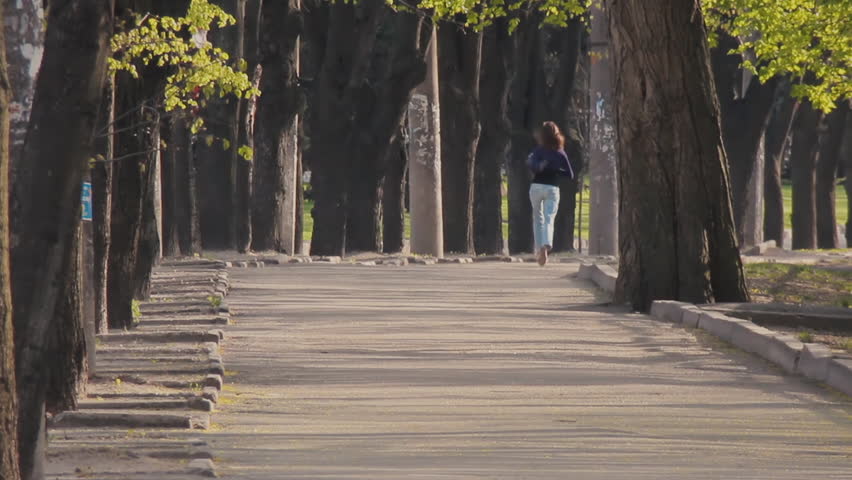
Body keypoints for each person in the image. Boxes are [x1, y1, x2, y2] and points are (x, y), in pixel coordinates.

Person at [527, 121, 574, 266]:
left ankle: (539, 248)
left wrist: (540, 166)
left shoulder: (538, 150)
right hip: (552, 188)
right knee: (549, 218)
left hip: (536, 186)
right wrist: (556, 170)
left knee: (537, 218)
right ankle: (546, 246)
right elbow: (570, 174)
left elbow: (533, 166)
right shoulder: (560, 152)